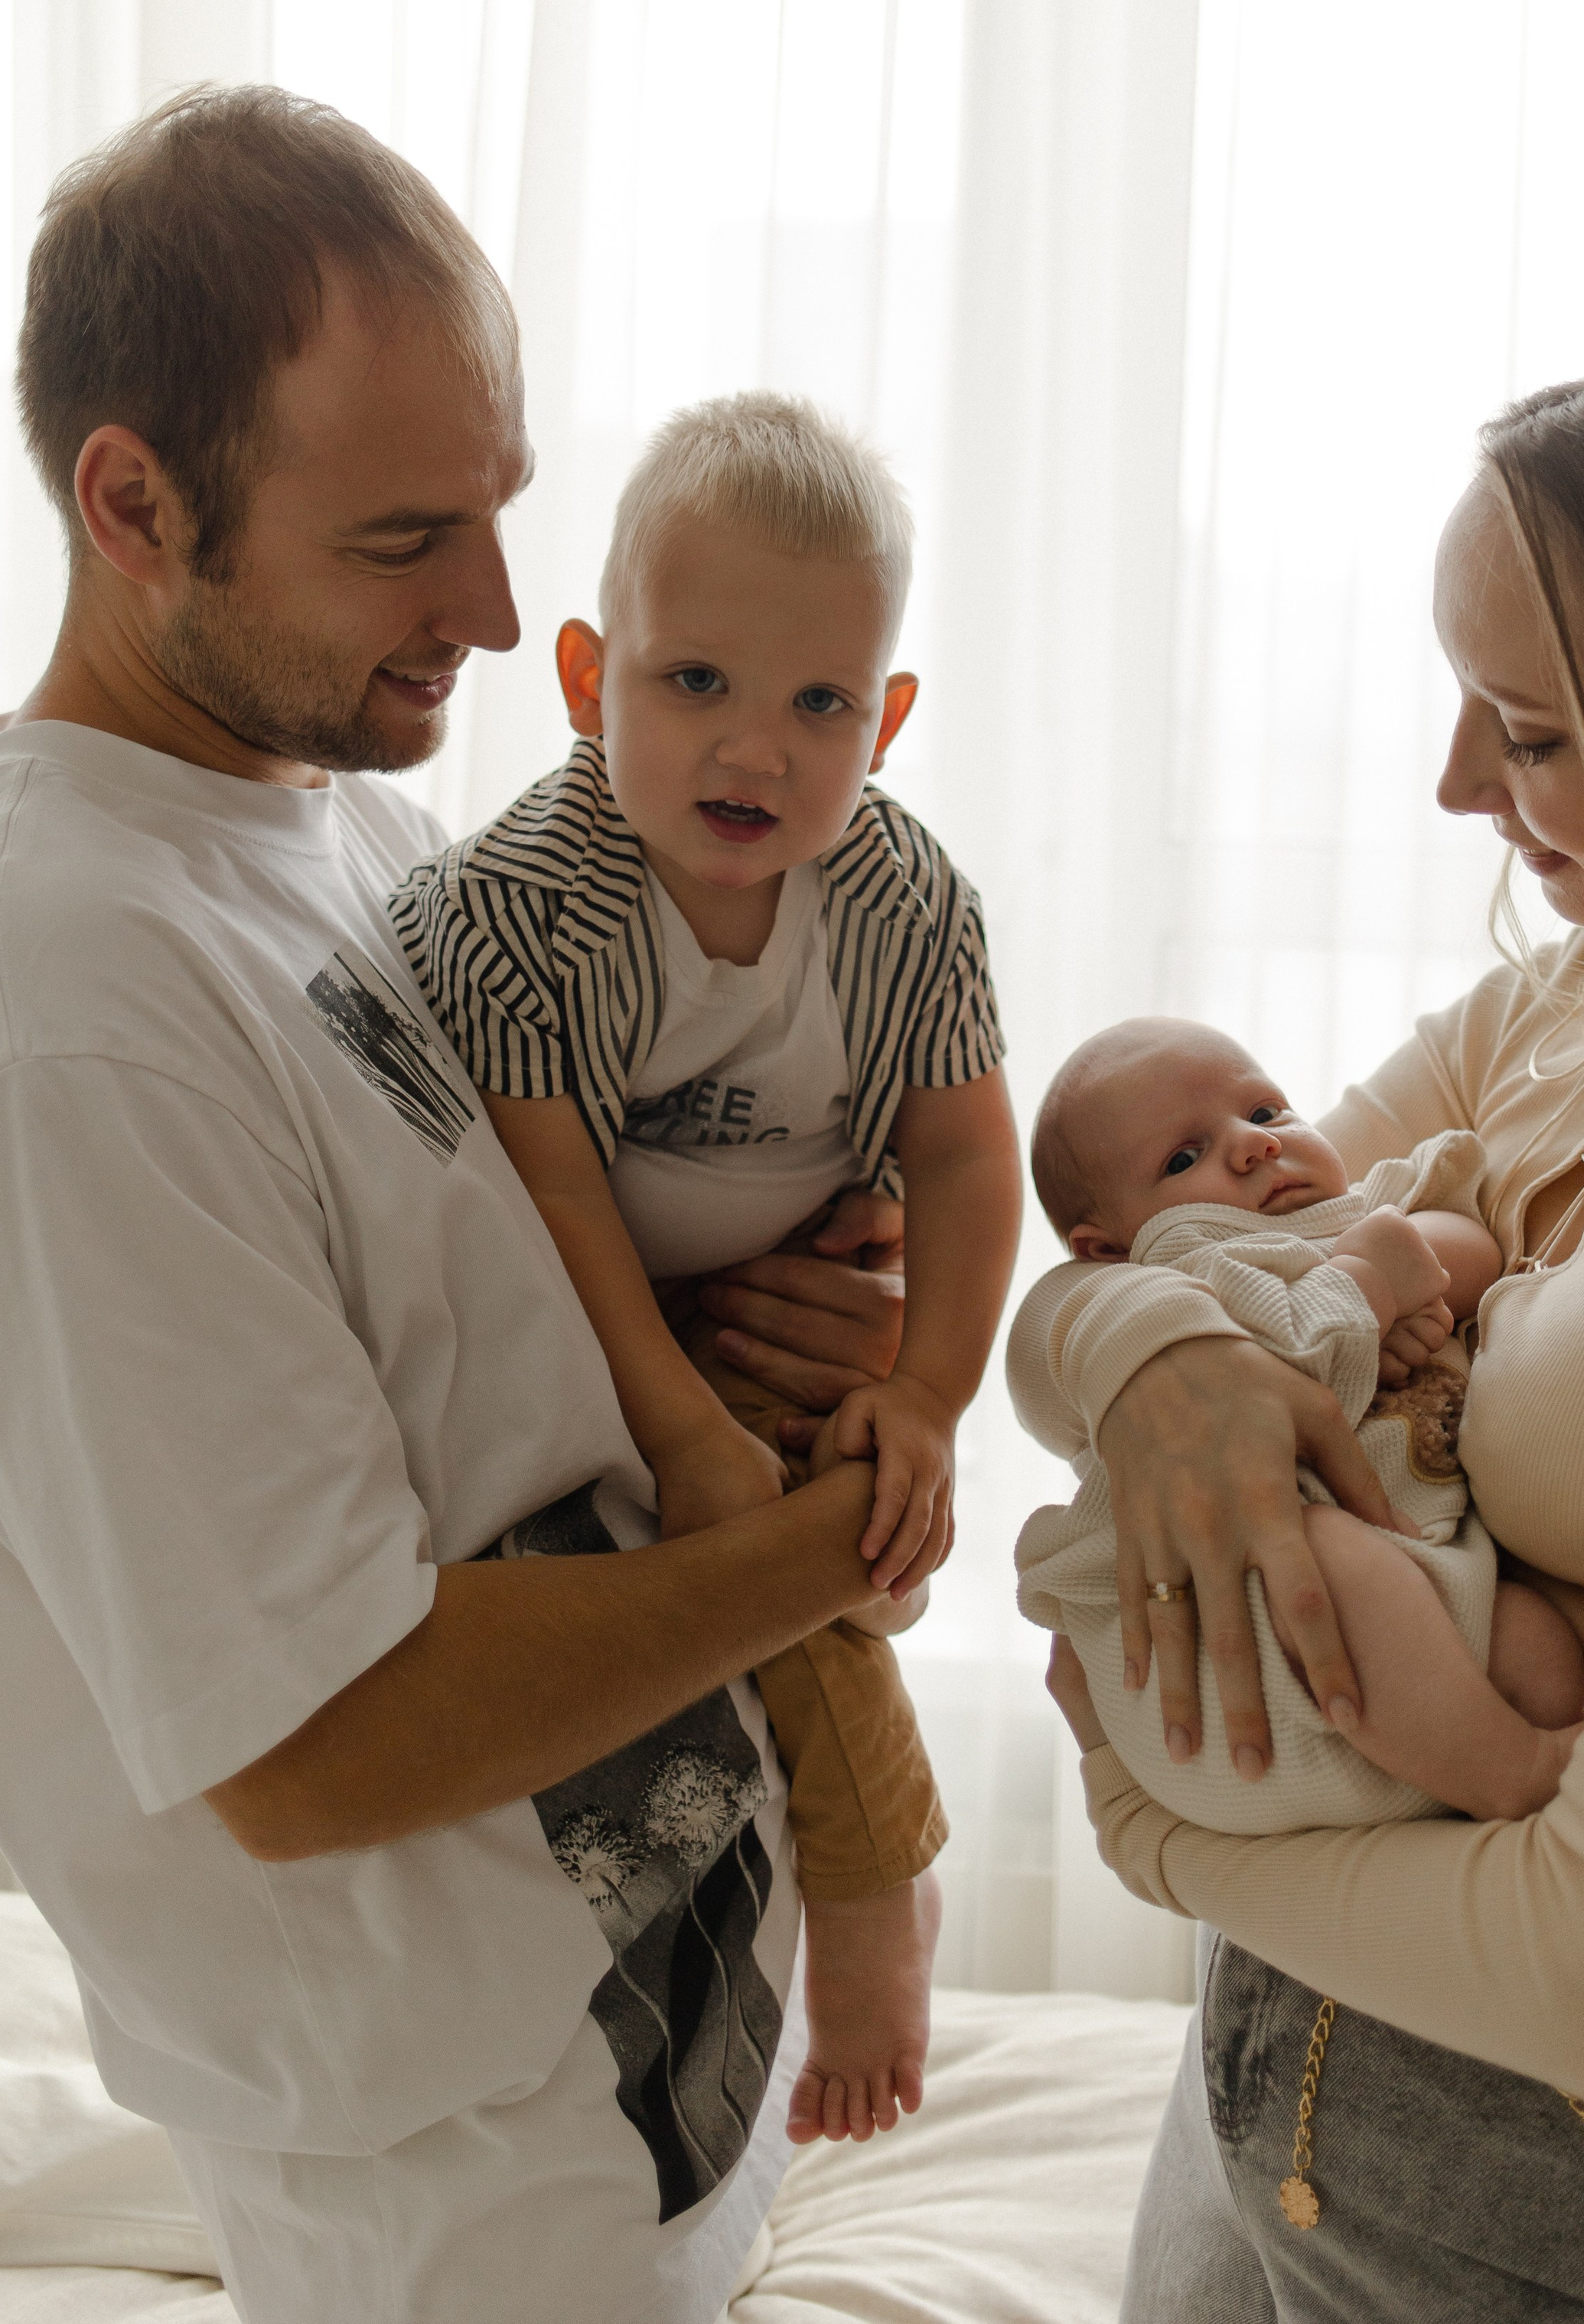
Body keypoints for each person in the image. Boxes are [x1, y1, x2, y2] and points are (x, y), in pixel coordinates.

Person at [0, 85, 922, 2324]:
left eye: (500, 507)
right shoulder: (63, 1005)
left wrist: (752, 1331)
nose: (500, 612)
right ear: (135, 501)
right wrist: (832, 1535)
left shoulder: (345, 832)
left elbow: (476, 1375)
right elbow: (314, 1735)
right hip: (468, 2195)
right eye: (407, 536)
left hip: (655, 2070)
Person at [1013, 308, 1584, 2320]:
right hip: (1270, 2057)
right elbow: (1137, 1250)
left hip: (1564, 2168)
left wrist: (1153, 1840)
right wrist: (1156, 1360)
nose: (1451, 785)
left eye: (1524, 731)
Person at [390, 393, 1021, 2147]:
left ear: (884, 720)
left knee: (845, 1520)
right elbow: (558, 1203)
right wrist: (678, 1424)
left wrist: (926, 1396)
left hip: (797, 1306)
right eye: (694, 684)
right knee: (777, 1578)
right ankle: (865, 1896)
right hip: (583, 1318)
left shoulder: (898, 903)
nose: (754, 748)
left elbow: (967, 1150)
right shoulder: (534, 901)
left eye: (820, 702)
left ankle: (836, 1910)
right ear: (589, 676)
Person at [1014, 1016, 1584, 1831]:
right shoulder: (1188, 1277)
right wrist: (1361, 1284)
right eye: (1182, 1158)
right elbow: (1270, 1376)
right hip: (1236, 1640)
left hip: (1422, 1624)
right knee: (1325, 1550)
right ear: (1106, 1251)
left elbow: (1479, 1246)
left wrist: (1402, 1255)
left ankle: (1489, 1750)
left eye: (1266, 1111)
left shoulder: (1361, 1209)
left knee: (1538, 1648)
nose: (1250, 1146)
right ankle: (1512, 1771)